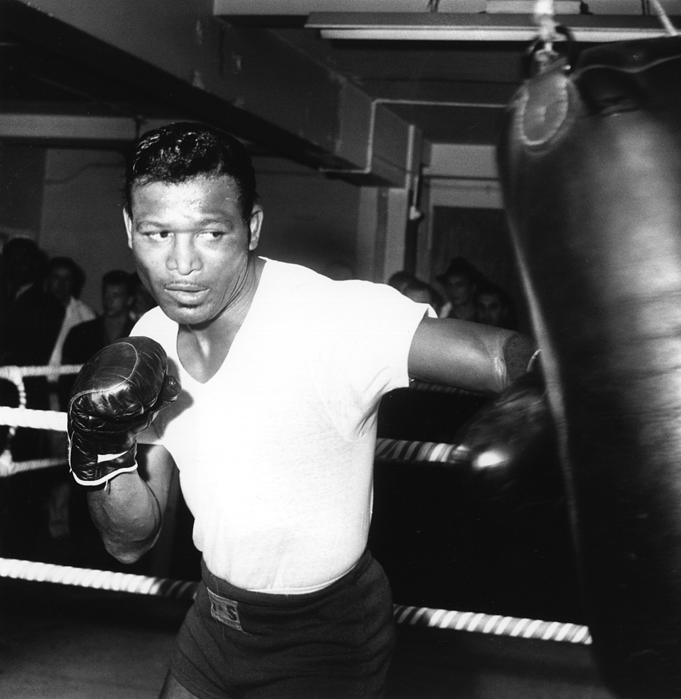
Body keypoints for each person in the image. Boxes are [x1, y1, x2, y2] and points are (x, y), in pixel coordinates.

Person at [66, 122, 539, 698]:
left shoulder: (330, 320)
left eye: (211, 233)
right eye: (158, 233)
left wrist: (554, 395)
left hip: (329, 637)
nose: (181, 264)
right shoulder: (150, 338)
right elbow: (130, 541)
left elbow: (498, 355)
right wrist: (99, 451)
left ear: (252, 228)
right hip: (216, 620)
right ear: (129, 230)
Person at [62, 269, 136, 365]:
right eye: (106, 294)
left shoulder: (138, 332)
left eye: (115, 295)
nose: (108, 300)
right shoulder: (80, 332)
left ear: (129, 300)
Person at [436, 257, 482, 321]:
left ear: (472, 288)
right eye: (449, 285)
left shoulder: (483, 316)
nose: (453, 290)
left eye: (459, 285)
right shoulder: (442, 315)